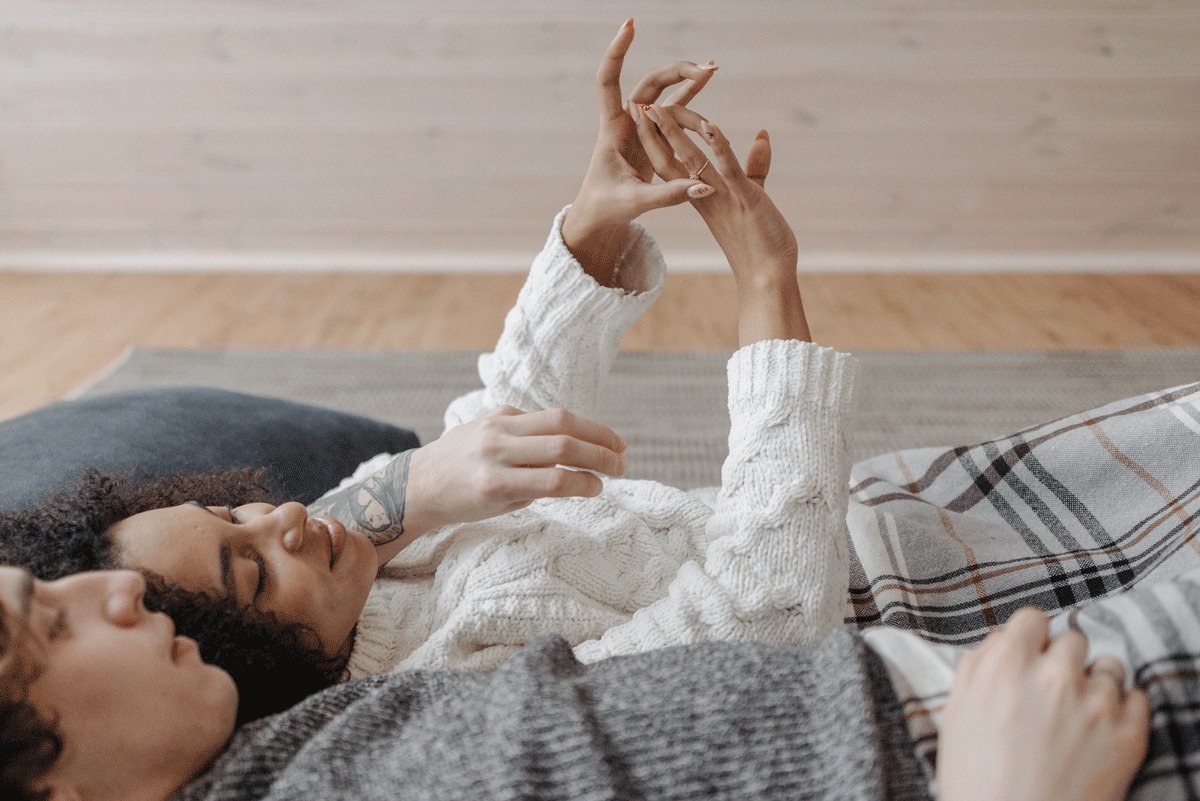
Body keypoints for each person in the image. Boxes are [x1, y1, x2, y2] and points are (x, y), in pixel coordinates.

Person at [2, 19, 858, 692]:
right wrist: (766, 283)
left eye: (233, 513)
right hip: (837, 581)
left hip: (817, 518)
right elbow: (763, 618)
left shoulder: (347, 549)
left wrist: (596, 217)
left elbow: (499, 434)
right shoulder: (447, 676)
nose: (283, 516)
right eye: (253, 570)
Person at [0, 565, 1153, 801]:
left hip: (961, 683)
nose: (116, 586)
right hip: (1006, 754)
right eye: (47, 624)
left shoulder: (265, 752)